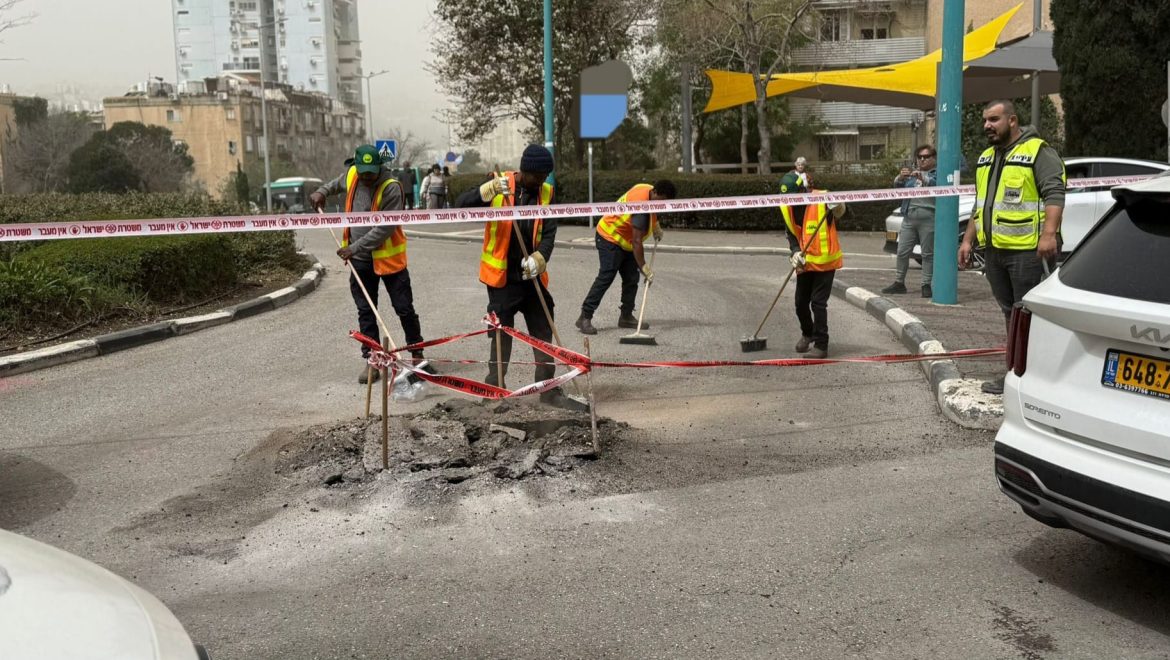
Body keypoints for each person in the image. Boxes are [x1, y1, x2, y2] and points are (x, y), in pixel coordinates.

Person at [453, 144, 576, 408]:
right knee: (501, 333)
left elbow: (550, 232)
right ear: (524, 171)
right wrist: (485, 191)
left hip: (532, 276)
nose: (541, 181)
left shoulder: (547, 193)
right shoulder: (498, 184)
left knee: (543, 329)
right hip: (502, 278)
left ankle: (548, 388)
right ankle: (495, 388)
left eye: (545, 176)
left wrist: (541, 257)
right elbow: (460, 205)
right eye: (538, 176)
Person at [959, 99, 1065, 395]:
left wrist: (1049, 235)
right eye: (985, 120)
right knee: (1011, 313)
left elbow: (1055, 194)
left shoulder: (1038, 151)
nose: (987, 126)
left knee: (1030, 314)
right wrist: (967, 240)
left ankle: (1030, 377)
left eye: (994, 119)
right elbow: (981, 205)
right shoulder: (986, 158)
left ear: (1013, 120)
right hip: (995, 252)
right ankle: (1017, 372)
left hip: (1028, 252)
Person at [310, 144, 427, 385]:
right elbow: (335, 184)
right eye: (363, 173)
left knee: (404, 309)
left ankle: (417, 355)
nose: (366, 178)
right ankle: (373, 360)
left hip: (389, 262)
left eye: (371, 174)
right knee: (366, 311)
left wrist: (354, 248)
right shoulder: (352, 174)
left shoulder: (391, 187)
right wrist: (322, 191)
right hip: (361, 263)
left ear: (379, 167)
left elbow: (384, 228)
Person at [575, 180, 676, 334]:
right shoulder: (640, 206)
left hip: (625, 240)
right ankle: (585, 316)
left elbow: (651, 213)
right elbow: (637, 241)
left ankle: (626, 316)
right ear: (655, 193)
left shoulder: (648, 189)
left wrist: (655, 226)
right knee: (606, 276)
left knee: (631, 278)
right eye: (661, 201)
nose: (662, 206)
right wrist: (644, 268)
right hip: (609, 236)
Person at [785, 196, 846, 359]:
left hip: (825, 262)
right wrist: (795, 251)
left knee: (818, 303)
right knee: (800, 302)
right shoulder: (786, 206)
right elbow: (790, 232)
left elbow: (841, 213)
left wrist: (839, 206)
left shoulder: (821, 199)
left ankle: (821, 345)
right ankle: (808, 333)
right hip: (805, 262)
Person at [882, 145, 938, 298]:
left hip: (929, 217)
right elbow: (898, 188)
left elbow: (937, 185)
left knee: (927, 253)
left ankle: (926, 284)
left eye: (926, 157)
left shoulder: (938, 173)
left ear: (934, 158)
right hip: (909, 217)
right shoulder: (912, 175)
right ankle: (899, 282)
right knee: (902, 251)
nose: (922, 160)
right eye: (919, 157)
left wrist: (923, 177)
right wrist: (900, 178)